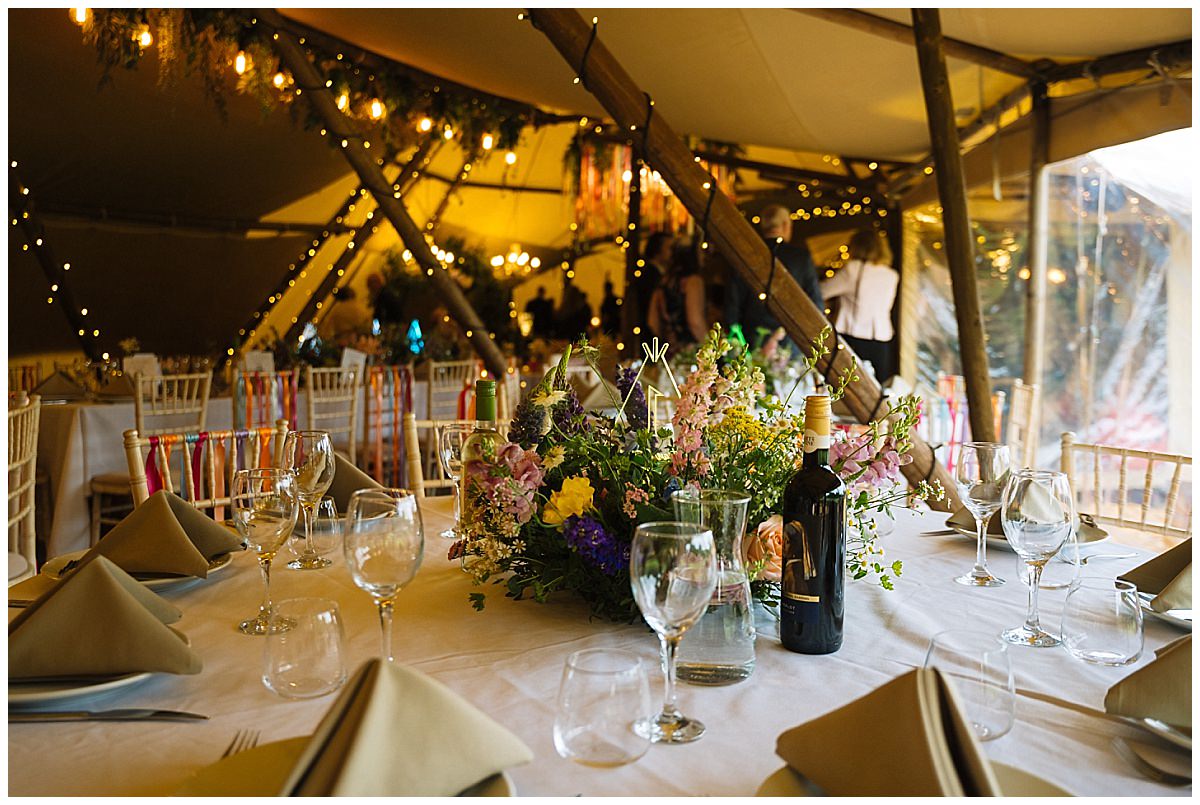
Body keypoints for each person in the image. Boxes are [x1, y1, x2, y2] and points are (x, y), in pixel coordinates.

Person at [724, 204, 822, 346]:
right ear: (785, 225)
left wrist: (736, 340)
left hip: (749, 339)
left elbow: (732, 303)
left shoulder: (746, 255)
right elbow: (816, 303)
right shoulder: (801, 258)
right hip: (790, 342)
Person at [819, 228, 899, 383]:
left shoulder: (853, 269)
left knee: (843, 384)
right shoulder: (891, 275)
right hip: (881, 337)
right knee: (878, 387)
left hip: (852, 335)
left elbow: (822, 291)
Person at [648, 244, 708, 349]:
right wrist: (710, 348)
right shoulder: (692, 282)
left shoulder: (663, 282)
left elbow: (653, 322)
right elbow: (695, 322)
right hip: (690, 351)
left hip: (668, 351)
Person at [631, 232, 674, 336]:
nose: (673, 253)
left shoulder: (662, 274)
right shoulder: (651, 276)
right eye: (669, 248)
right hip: (653, 336)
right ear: (658, 250)